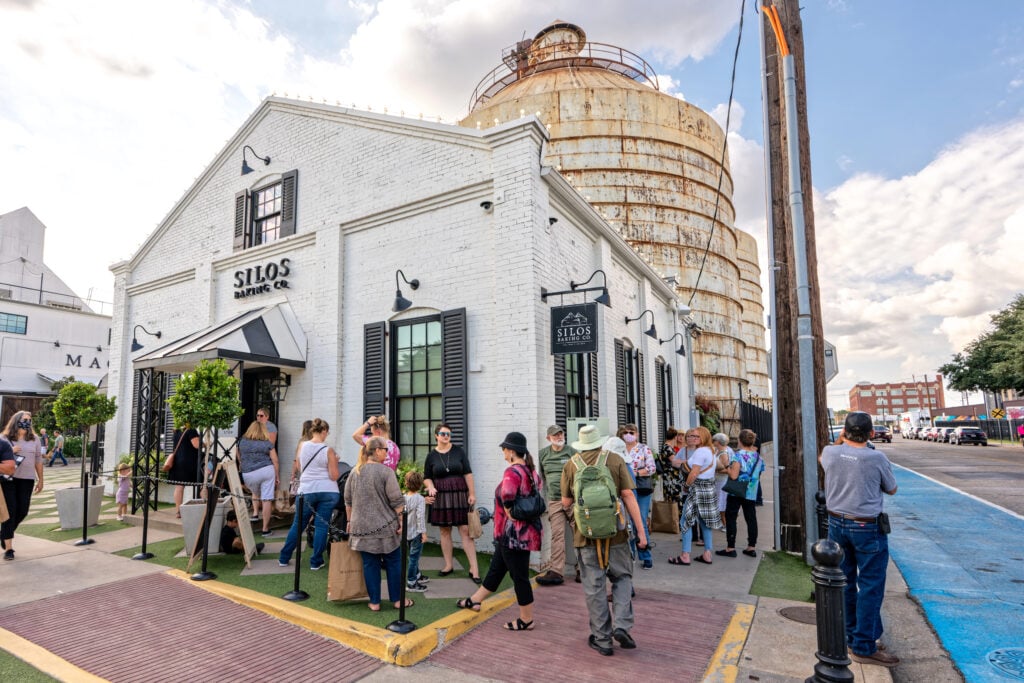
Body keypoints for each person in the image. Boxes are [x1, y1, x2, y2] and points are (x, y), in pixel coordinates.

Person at [820, 411, 899, 668]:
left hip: (836, 523)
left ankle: (851, 635)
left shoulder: (831, 453)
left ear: (844, 432)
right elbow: (892, 488)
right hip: (866, 525)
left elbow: (826, 456)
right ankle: (864, 645)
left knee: (844, 581)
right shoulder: (876, 457)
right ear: (871, 433)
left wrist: (840, 440)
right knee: (871, 586)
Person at [561, 425, 648, 656]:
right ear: (599, 442)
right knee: (622, 577)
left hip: (586, 535)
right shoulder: (615, 460)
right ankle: (622, 625)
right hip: (616, 532)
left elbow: (566, 503)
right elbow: (628, 495)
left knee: (594, 587)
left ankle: (603, 640)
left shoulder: (572, 465)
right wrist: (641, 532)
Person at [456, 432, 541, 632]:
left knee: (519, 577)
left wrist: (509, 514)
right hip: (522, 533)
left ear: (511, 451)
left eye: (504, 449)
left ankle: (526, 619)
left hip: (513, 535)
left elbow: (508, 497)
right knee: (496, 568)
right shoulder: (531, 471)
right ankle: (475, 600)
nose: (503, 453)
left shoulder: (512, 472)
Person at [345, 436, 410, 611]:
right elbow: (397, 501)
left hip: (361, 527)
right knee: (393, 561)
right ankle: (397, 600)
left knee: (370, 564)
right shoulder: (386, 472)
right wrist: (402, 522)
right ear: (378, 451)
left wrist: (349, 521)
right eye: (386, 450)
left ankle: (374, 602)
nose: (387, 453)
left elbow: (348, 501)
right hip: (386, 526)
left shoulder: (354, 471)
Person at [279, 418, 340, 571]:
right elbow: (334, 475)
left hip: (306, 490)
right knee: (321, 526)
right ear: (324, 431)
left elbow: (299, 466)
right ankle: (316, 561)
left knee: (298, 524)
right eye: (327, 432)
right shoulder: (328, 450)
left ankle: (284, 558)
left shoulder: (302, 446)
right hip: (327, 490)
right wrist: (335, 462)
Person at [423, 422, 480, 582]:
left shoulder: (459, 451)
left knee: (465, 530)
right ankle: (448, 565)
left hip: (459, 494)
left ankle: (474, 569)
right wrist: (431, 486)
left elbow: (468, 473)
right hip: (441, 496)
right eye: (443, 434)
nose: (446, 436)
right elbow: (426, 476)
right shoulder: (431, 456)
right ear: (436, 436)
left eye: (448, 434)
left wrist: (472, 493)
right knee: (444, 531)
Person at [669, 427, 721, 566]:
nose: (692, 438)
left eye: (696, 437)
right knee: (705, 523)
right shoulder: (711, 451)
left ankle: (685, 555)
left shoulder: (700, 452)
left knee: (685, 522)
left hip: (697, 489)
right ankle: (707, 554)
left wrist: (686, 485)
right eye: (690, 436)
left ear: (703, 437)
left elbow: (694, 473)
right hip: (708, 488)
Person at [536, 424, 577, 585]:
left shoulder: (572, 452)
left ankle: (583, 569)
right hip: (554, 500)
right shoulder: (543, 454)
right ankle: (556, 571)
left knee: (580, 534)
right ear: (549, 438)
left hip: (573, 500)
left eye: (560, 434)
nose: (559, 437)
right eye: (555, 435)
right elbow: (540, 477)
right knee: (557, 535)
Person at [1, 411, 44, 561]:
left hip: (27, 479)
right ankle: (9, 549)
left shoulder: (35, 439)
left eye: (30, 420)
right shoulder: (5, 438)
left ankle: (5, 534)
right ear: (16, 421)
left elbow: (38, 460)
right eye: (25, 420)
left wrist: (41, 479)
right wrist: (10, 451)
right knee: (10, 511)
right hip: (8, 479)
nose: (28, 422)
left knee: (23, 510)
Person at [717, 429, 764, 559]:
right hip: (751, 492)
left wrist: (726, 466)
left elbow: (733, 475)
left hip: (736, 491)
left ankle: (730, 547)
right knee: (751, 518)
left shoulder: (737, 456)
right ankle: (751, 547)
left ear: (740, 440)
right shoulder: (758, 457)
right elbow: (759, 473)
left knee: (731, 517)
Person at [620, 423, 656, 569]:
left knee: (639, 519)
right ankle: (631, 554)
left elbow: (651, 467)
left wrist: (635, 473)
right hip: (625, 488)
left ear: (637, 434)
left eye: (631, 432)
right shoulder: (620, 449)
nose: (628, 434)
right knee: (627, 522)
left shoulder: (643, 449)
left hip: (640, 488)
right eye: (626, 432)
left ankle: (646, 555)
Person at [236, 420, 279, 536]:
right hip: (266, 470)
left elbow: (238, 456)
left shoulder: (242, 442)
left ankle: (255, 514)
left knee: (255, 492)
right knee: (267, 499)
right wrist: (277, 476)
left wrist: (244, 463)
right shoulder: (266, 442)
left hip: (248, 473)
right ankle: (265, 529)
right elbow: (275, 460)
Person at [166, 424, 200, 518]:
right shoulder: (191, 430)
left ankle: (178, 511)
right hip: (188, 462)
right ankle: (203, 509)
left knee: (179, 487)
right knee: (202, 484)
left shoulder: (176, 430)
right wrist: (205, 444)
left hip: (177, 462)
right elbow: (197, 445)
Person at [404, 469, 430, 592]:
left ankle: (417, 575)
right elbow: (420, 517)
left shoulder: (403, 497)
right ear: (420, 485)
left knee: (412, 556)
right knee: (414, 558)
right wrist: (423, 533)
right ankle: (411, 582)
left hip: (406, 533)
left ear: (406, 483)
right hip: (416, 533)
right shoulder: (420, 499)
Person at [657, 426, 686, 503]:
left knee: (673, 499)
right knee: (675, 500)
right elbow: (675, 462)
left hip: (672, 477)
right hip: (672, 478)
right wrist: (686, 461)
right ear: (675, 437)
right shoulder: (667, 448)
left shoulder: (667, 447)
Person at [711, 432, 734, 527]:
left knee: (722, 503)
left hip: (722, 481)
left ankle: (725, 524)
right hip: (717, 481)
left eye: (714, 440)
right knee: (719, 502)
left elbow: (729, 470)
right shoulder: (717, 450)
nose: (713, 442)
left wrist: (715, 470)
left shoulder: (724, 454)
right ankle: (722, 523)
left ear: (718, 442)